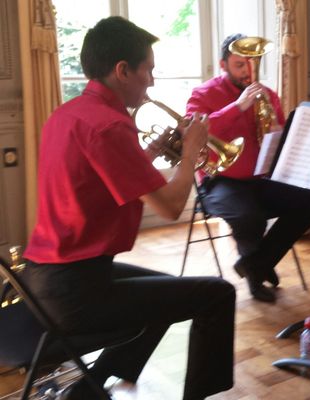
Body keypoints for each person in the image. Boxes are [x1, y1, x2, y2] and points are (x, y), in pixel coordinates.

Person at [21, 17, 235, 399]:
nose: (151, 81)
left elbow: (100, 177)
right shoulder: (109, 125)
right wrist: (189, 154)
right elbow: (170, 207)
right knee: (218, 294)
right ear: (122, 70)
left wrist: (150, 153)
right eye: (148, 70)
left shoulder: (67, 114)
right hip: (75, 292)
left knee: (166, 292)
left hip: (45, 278)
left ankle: (89, 387)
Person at [186, 33, 310, 303]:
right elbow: (194, 132)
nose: (248, 72)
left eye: (252, 64)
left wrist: (278, 133)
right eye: (239, 65)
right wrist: (237, 107)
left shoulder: (268, 95)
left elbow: (282, 141)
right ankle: (257, 271)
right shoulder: (203, 93)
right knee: (251, 217)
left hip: (261, 178)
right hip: (220, 180)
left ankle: (256, 263)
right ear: (223, 65)